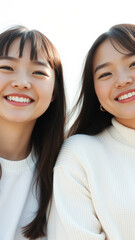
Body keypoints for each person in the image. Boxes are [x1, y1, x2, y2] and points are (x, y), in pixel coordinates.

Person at [48, 24, 135, 240]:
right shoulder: (80, 155)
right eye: (105, 74)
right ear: (95, 92)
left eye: (133, 64)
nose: (122, 80)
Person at [0, 25, 66, 240]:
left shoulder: (64, 171)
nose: (21, 83)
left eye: (38, 72)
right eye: (7, 68)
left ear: (55, 92)